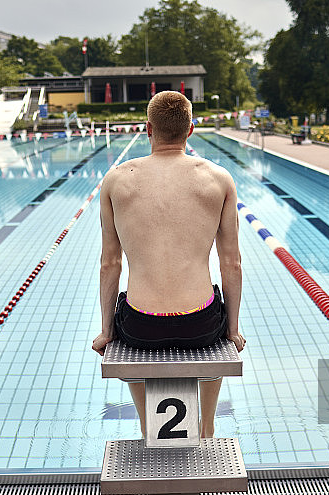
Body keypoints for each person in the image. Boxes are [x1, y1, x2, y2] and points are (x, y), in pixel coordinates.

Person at [92, 90, 244, 439]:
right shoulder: (219, 179)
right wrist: (231, 330)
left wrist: (107, 331)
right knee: (214, 308)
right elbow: (231, 263)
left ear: (148, 128)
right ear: (190, 129)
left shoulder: (116, 180)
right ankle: (206, 426)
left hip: (139, 327)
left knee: (127, 306)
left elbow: (109, 263)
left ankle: (149, 425)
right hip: (201, 325)